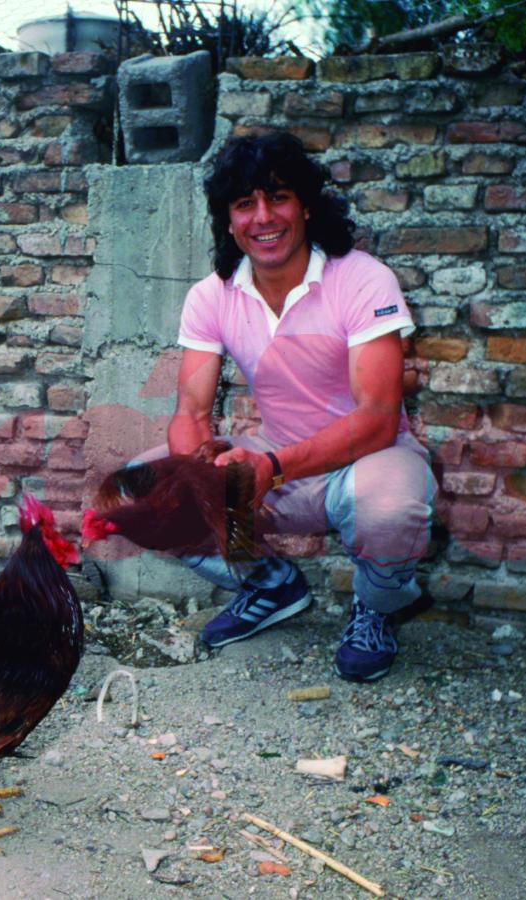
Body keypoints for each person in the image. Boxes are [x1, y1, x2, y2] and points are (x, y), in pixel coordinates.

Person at [167, 132, 436, 682]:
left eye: (278, 197)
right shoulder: (210, 296)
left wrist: (273, 467)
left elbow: (379, 417)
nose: (263, 217)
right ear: (228, 221)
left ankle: (375, 609)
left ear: (306, 205)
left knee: (391, 509)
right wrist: (199, 471)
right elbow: (190, 411)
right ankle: (271, 584)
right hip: (278, 460)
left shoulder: (362, 279)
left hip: (369, 458)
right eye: (245, 204)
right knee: (147, 489)